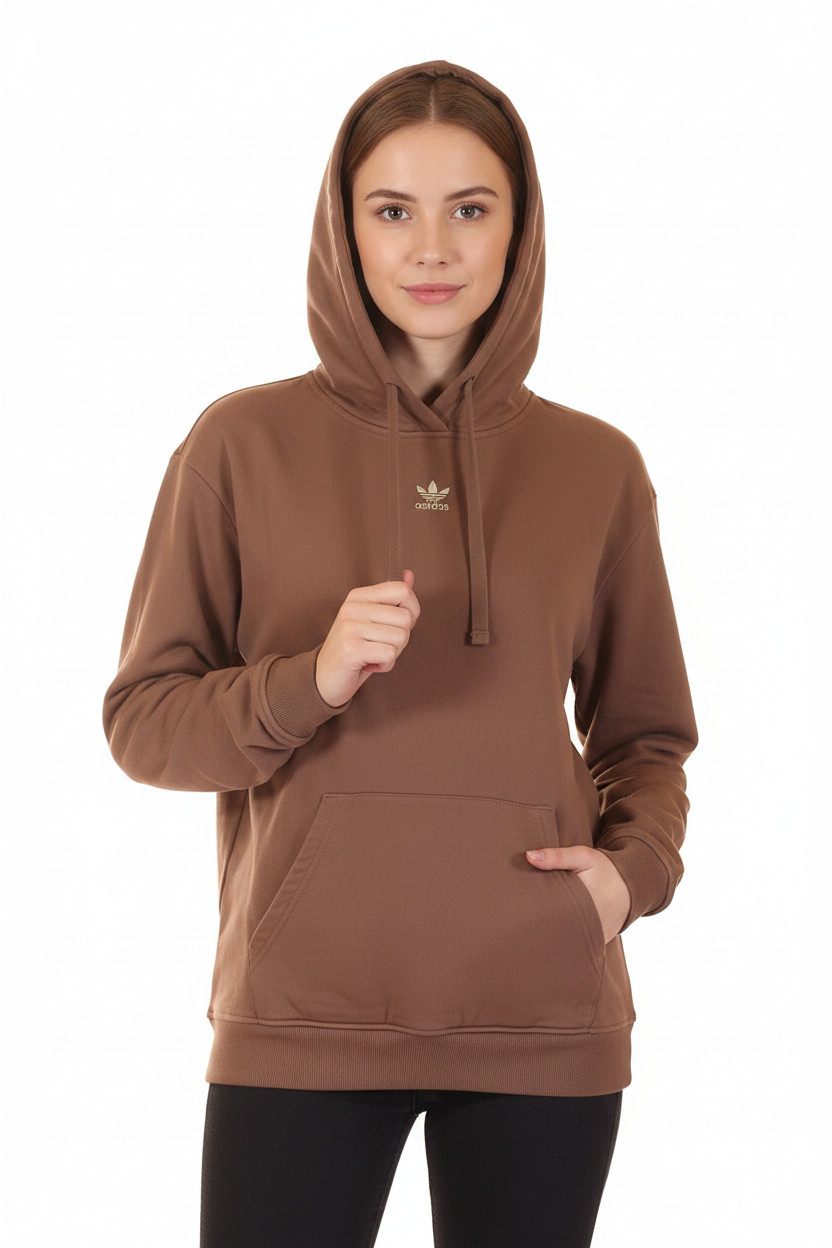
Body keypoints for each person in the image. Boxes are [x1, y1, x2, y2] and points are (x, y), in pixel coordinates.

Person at [103, 59, 698, 1248]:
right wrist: (306, 682)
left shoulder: (596, 466)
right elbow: (144, 724)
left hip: (541, 1015)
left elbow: (645, 736)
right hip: (302, 1015)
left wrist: (627, 878)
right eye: (392, 210)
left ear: (519, 227)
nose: (432, 248)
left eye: (469, 208)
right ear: (344, 227)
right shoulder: (239, 444)